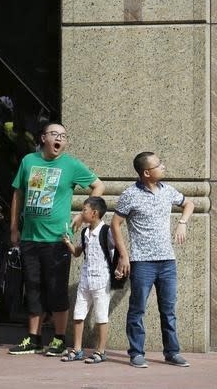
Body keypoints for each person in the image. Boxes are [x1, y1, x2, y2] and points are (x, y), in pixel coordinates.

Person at [8, 122, 104, 356]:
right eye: (54, 134)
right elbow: (18, 193)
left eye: (63, 135)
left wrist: (83, 215)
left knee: (56, 289)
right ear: (43, 138)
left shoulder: (70, 164)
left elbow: (98, 185)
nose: (59, 138)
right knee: (33, 288)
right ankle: (34, 338)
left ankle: (60, 339)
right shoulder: (28, 161)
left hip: (58, 240)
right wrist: (13, 228)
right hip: (30, 237)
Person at [112, 152, 194, 369]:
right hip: (142, 262)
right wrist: (124, 255)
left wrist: (183, 222)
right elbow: (115, 224)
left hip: (168, 261)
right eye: (159, 164)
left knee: (168, 310)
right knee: (137, 309)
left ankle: (172, 352)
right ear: (146, 172)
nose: (163, 166)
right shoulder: (130, 194)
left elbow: (189, 204)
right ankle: (136, 353)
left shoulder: (167, 191)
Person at [61, 196, 117, 364]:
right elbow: (78, 252)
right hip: (85, 279)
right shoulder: (85, 232)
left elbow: (116, 251)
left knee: (101, 316)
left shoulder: (106, 231)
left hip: (101, 279)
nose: (81, 213)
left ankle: (101, 351)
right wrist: (68, 243)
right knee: (78, 314)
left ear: (94, 213)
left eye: (84, 210)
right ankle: (77, 349)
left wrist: (121, 267)